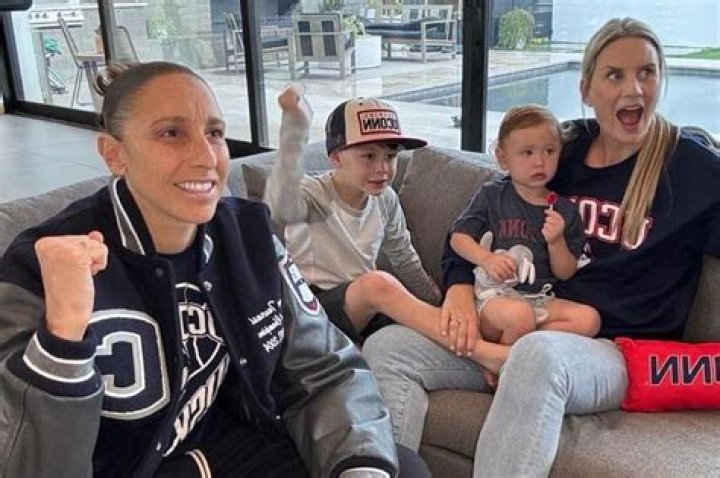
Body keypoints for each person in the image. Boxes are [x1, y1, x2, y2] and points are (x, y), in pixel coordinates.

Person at [0, 62, 429, 478]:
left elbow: (324, 370)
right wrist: (62, 339)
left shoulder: (248, 236)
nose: (206, 157)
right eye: (171, 133)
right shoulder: (40, 265)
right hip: (132, 466)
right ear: (114, 154)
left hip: (233, 449)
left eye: (215, 133)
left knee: (393, 465)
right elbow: (21, 462)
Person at [363, 16, 720, 474]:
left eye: (646, 73)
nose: (633, 89)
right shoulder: (558, 151)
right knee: (388, 348)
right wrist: (459, 294)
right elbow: (478, 219)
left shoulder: (691, 169)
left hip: (613, 350)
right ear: (586, 89)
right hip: (526, 315)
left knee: (537, 358)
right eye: (615, 75)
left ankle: (500, 359)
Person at [264, 88, 442, 344]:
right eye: (369, 156)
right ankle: (481, 352)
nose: (383, 169)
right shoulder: (312, 194)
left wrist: (435, 299)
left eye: (390, 156)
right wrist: (294, 128)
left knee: (414, 327)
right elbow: (280, 203)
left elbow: (403, 255)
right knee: (377, 285)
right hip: (312, 309)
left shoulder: (385, 198)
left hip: (363, 310)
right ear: (336, 157)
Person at [449, 104, 600, 383]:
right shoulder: (493, 195)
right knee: (519, 317)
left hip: (539, 297)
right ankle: (503, 365)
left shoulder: (564, 210)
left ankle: (511, 351)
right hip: (494, 297)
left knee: (589, 319)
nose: (540, 162)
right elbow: (458, 238)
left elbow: (565, 272)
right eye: (527, 153)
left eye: (549, 151)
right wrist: (487, 259)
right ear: (503, 158)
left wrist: (556, 241)